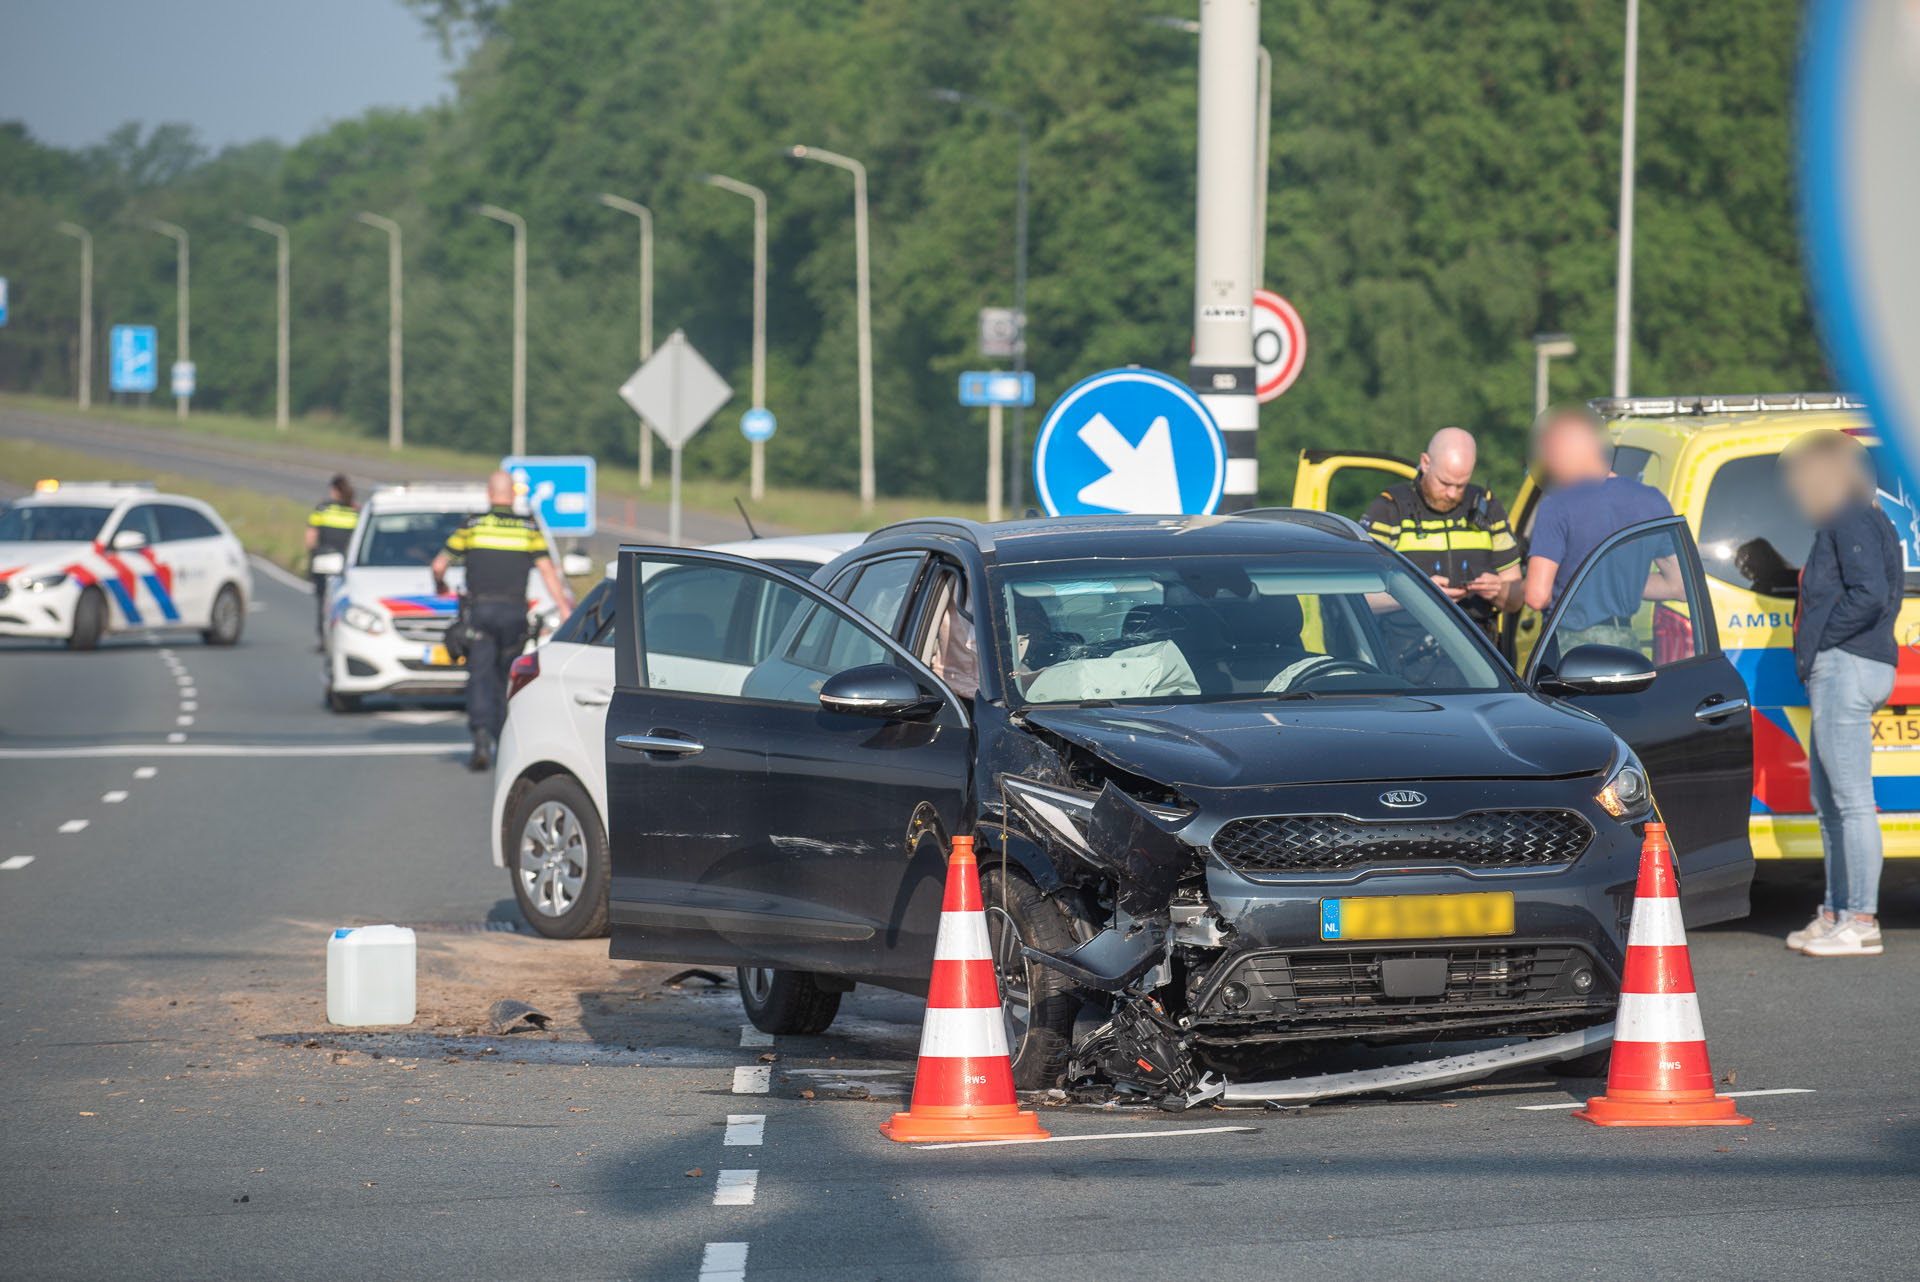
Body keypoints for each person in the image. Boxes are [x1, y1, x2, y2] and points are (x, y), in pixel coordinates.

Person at [1782, 430, 1902, 957]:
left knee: (1850, 802)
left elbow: (1870, 593)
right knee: (1830, 801)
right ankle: (1836, 912)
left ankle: (1861, 921)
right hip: (1849, 665)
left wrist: (1826, 641)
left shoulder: (1850, 517)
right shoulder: (1859, 516)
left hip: (1846, 666)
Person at [431, 471, 572, 771]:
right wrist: (565, 608)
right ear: (513, 495)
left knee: (480, 675)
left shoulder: (472, 525)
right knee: (506, 675)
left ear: (488, 493)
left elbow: (439, 564)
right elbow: (547, 571)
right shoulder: (528, 527)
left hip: (480, 613)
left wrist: (440, 586)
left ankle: (481, 736)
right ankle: (505, 739)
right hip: (513, 614)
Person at [1523, 404, 1680, 650]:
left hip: (1569, 648)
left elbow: (1536, 596)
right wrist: (1620, 585)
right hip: (1626, 647)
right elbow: (1678, 585)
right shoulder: (1653, 501)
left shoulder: (1557, 505)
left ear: (1562, 451)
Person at [1360, 426, 1522, 638]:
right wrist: (1417, 593)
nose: (1452, 494)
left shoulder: (1488, 507)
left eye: (1461, 485)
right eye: (1445, 483)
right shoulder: (1389, 508)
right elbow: (1359, 595)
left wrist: (1498, 591)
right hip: (1404, 654)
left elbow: (1516, 598)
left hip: (1477, 655)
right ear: (1426, 462)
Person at [305, 474, 358, 644]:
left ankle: (323, 635)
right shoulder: (354, 512)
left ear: (334, 490)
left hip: (322, 561)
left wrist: (311, 556)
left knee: (322, 599)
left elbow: (310, 537)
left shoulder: (322, 509)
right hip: (343, 563)